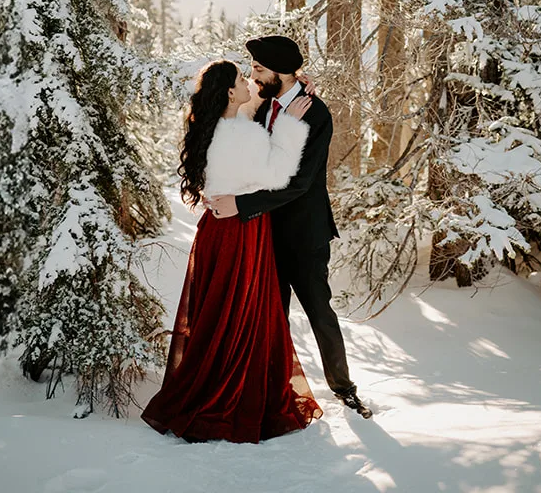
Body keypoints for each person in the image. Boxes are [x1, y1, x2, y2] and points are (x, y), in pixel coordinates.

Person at [140, 60, 323, 443]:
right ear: (228, 92)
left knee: (218, 311)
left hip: (215, 231)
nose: (250, 84)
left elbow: (250, 114)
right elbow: (277, 175)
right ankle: (228, 391)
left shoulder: (216, 128)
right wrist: (290, 124)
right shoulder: (243, 135)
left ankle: (209, 380)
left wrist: (288, 94)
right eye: (242, 80)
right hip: (242, 232)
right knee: (238, 313)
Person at [206, 36, 373, 419]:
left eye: (259, 70)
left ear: (280, 72)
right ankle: (269, 388)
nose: (253, 76)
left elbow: (297, 183)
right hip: (263, 233)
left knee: (319, 312)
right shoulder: (265, 106)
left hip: (305, 234)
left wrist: (241, 205)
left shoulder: (316, 115)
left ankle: (344, 389)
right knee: (270, 315)